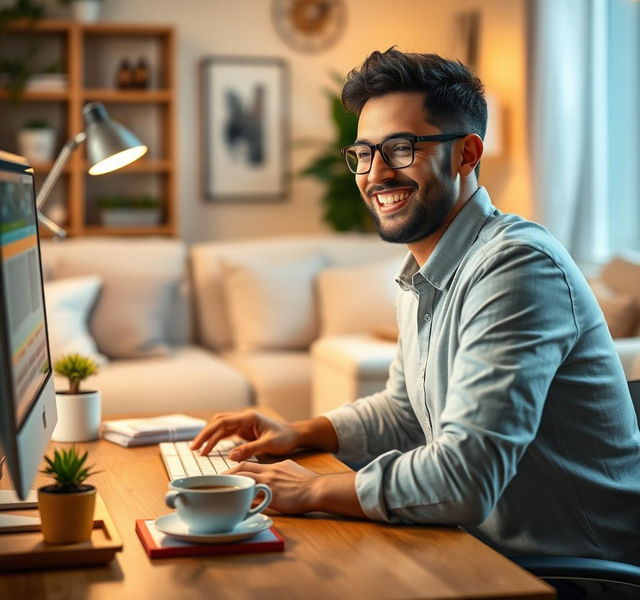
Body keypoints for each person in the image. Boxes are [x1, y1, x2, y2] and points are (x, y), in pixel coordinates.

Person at [192, 49, 640, 568]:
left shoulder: (517, 266)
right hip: (479, 548)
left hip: (574, 568)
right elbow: (406, 412)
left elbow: (465, 477)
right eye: (363, 154)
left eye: (401, 148)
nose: (375, 174)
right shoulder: (424, 270)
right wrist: (302, 432)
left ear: (467, 155)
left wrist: (313, 490)